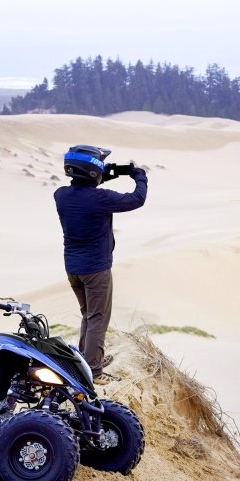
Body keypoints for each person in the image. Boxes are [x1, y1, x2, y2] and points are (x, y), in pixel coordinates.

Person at [53, 144, 148, 383]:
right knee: (98, 318)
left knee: (88, 315)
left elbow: (85, 188)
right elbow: (137, 199)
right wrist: (139, 175)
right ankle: (94, 371)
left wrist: (103, 174)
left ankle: (85, 361)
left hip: (73, 268)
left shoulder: (61, 195)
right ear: (93, 171)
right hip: (96, 269)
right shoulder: (101, 199)